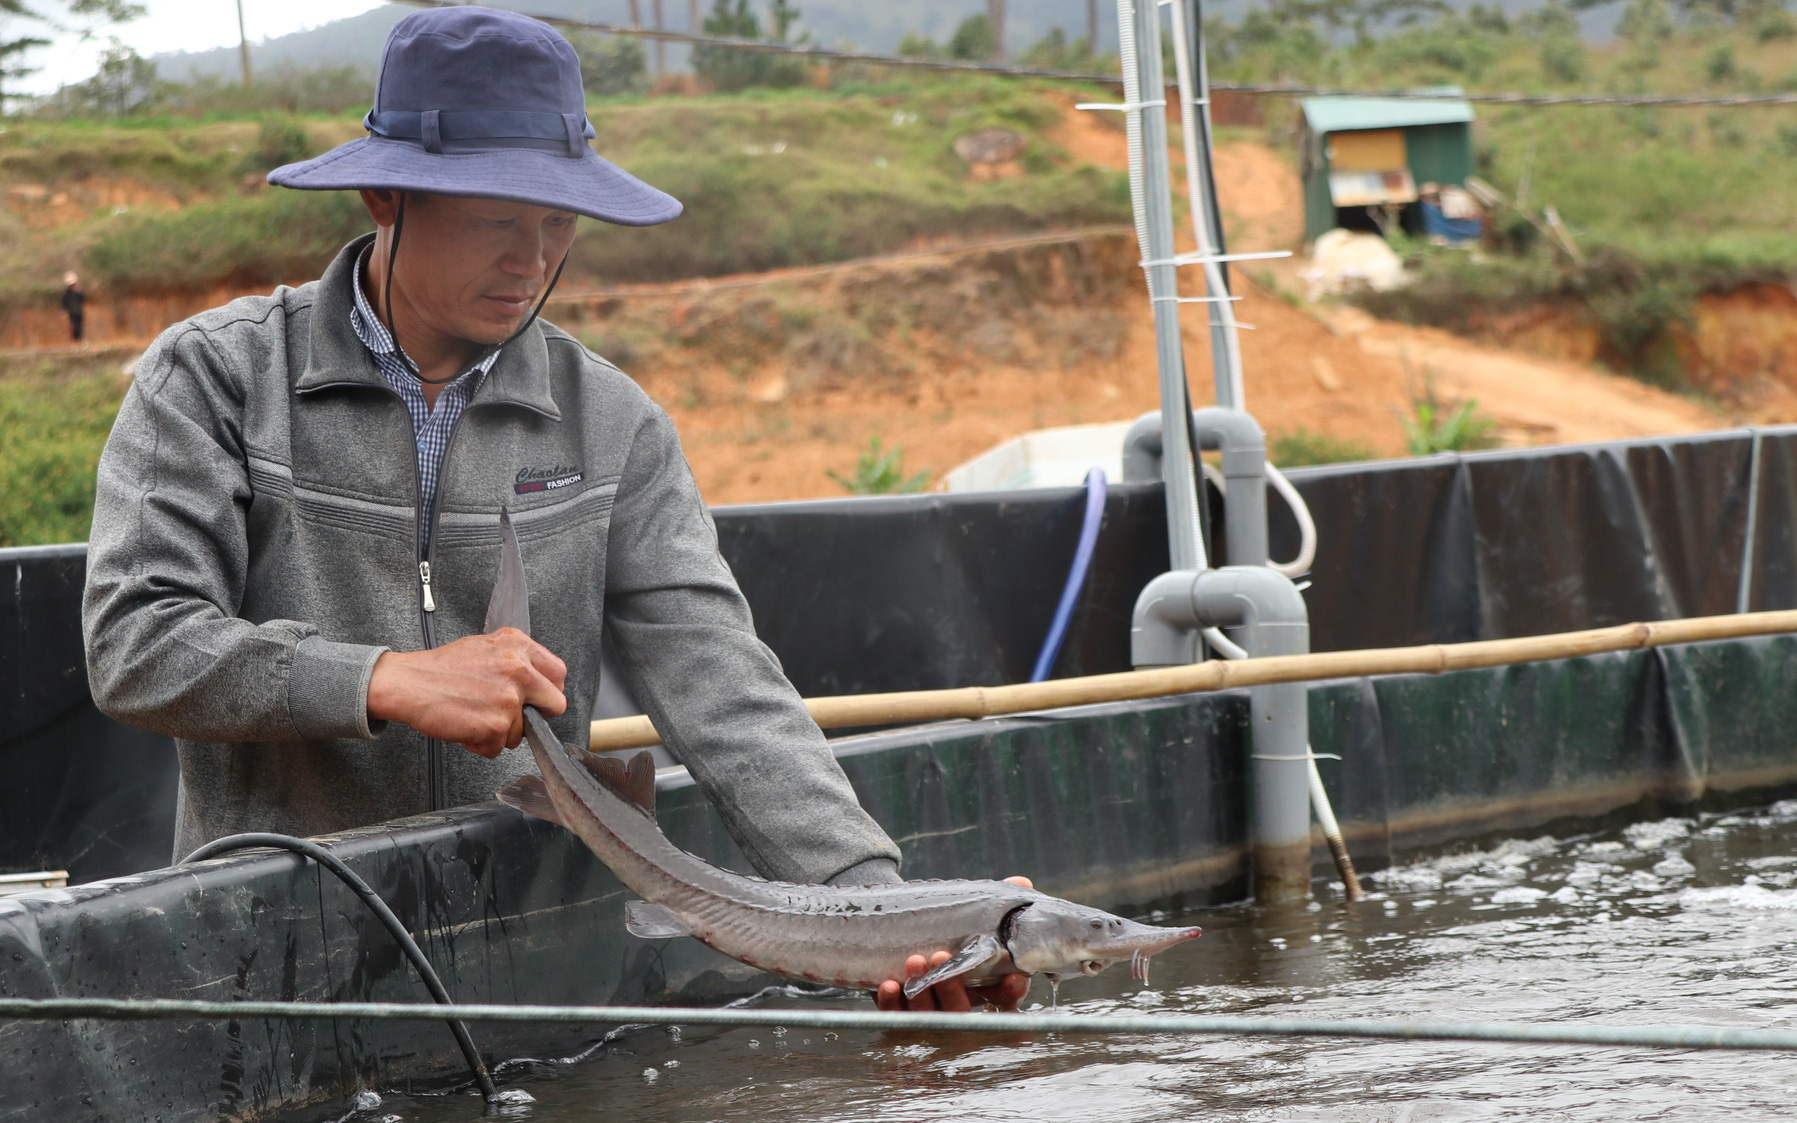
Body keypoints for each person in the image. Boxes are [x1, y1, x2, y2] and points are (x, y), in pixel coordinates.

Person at [80, 6, 1025, 1014]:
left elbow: (722, 682)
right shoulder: (219, 378)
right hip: (277, 969)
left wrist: (878, 910)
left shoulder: (610, 423)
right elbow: (139, 641)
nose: (532, 259)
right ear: (384, 194)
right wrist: (383, 678)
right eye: (497, 220)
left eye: (558, 223)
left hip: (530, 974)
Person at [60, 271, 85, 344]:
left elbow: (82, 299)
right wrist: (64, 312)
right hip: (71, 313)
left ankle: (80, 341)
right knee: (74, 327)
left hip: (79, 312)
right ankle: (75, 341)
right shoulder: (66, 293)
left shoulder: (78, 291)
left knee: (80, 327)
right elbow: (63, 303)